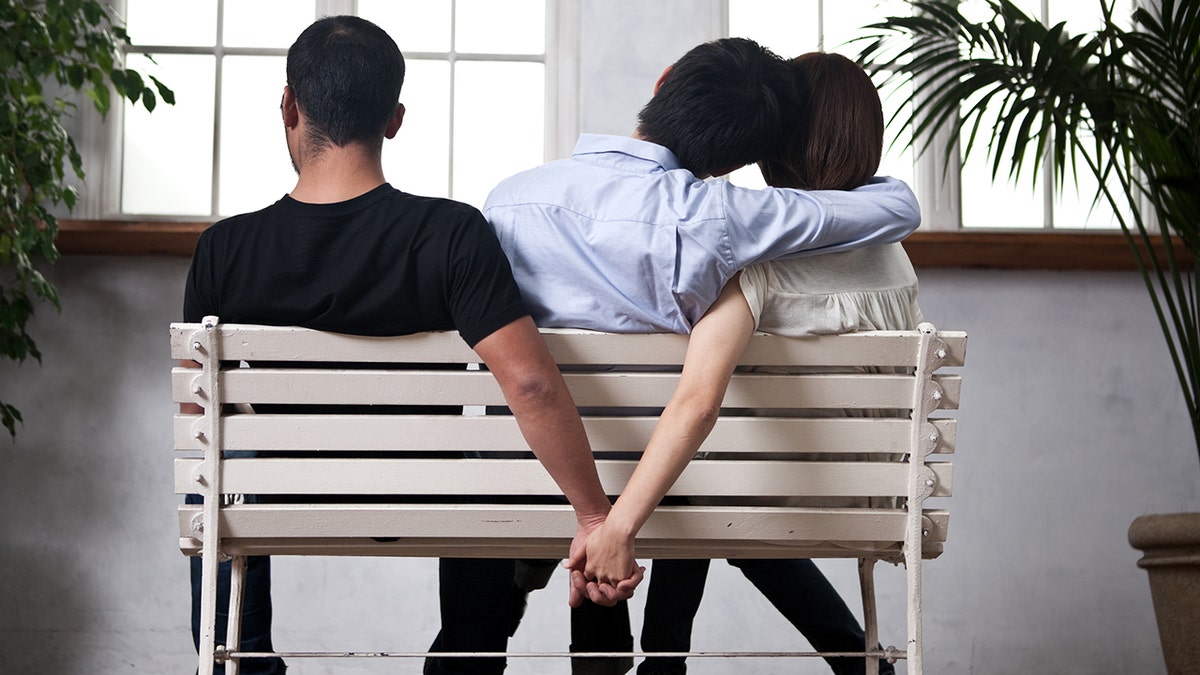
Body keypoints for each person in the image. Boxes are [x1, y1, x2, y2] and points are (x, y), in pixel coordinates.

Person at [180, 16, 639, 675]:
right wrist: (594, 515)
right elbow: (531, 384)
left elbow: (200, 423)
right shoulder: (451, 233)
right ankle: (465, 659)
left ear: (289, 105)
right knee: (494, 463)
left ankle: (244, 662)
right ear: (394, 118)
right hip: (426, 493)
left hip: (287, 497)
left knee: (218, 482)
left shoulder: (224, 249)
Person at [484, 39, 920, 674]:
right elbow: (897, 205)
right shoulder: (725, 222)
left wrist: (598, 519)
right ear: (737, 158)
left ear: (664, 81)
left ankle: (623, 652)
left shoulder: (508, 199)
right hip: (843, 489)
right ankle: (678, 660)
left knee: (665, 470)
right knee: (697, 474)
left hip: (536, 469)